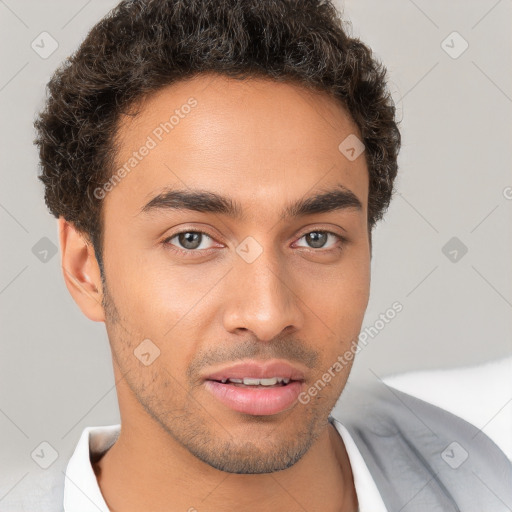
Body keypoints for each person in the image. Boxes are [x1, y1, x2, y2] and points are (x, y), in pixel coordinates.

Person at [6, 0, 510, 510]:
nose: (267, 316)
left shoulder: (481, 471)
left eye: (317, 238)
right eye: (191, 239)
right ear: (85, 268)